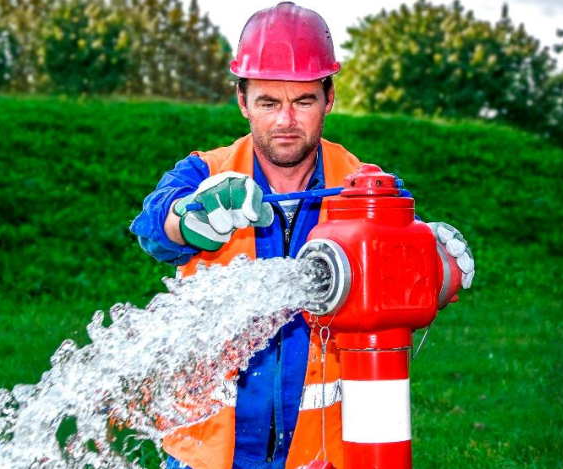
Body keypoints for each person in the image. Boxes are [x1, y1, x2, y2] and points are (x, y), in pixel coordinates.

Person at [130, 3, 475, 469]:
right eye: (269, 102)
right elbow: (155, 229)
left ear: (329, 97)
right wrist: (189, 218)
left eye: (303, 101)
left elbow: (412, 259)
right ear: (242, 100)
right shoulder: (205, 173)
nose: (285, 121)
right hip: (207, 453)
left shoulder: (364, 189)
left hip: (319, 454)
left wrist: (436, 260)